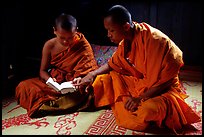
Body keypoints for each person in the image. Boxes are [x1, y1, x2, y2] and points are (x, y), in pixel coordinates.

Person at [73, 5, 201, 134]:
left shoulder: (155, 41)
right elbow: (113, 64)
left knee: (148, 111)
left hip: (160, 90)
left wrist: (140, 98)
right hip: (140, 83)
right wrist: (91, 74)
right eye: (107, 31)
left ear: (126, 27)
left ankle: (129, 105)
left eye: (111, 31)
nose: (108, 35)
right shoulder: (126, 41)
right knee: (102, 80)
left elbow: (165, 82)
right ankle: (86, 100)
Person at [15, 13, 98, 118]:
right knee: (24, 86)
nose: (66, 41)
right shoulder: (49, 45)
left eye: (70, 37)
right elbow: (43, 71)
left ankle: (47, 106)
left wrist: (80, 78)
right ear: (54, 30)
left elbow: (88, 70)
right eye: (62, 37)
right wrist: (50, 80)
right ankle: (56, 105)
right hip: (56, 83)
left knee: (89, 91)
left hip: (74, 85)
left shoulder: (83, 44)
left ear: (76, 30)